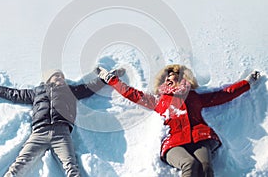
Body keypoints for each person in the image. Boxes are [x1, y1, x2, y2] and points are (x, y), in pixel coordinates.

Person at [98, 64, 261, 177]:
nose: (169, 79)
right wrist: (110, 79)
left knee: (205, 165)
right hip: (174, 144)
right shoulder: (159, 101)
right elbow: (131, 93)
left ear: (182, 78)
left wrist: (248, 83)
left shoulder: (194, 97)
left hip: (200, 137)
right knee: (189, 164)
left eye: (173, 76)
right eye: (166, 78)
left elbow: (224, 94)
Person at [0, 68, 112, 177]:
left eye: (63, 77)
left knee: (71, 166)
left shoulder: (70, 90)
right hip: (39, 133)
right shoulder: (36, 92)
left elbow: (89, 87)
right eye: (57, 76)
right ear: (48, 79)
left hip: (61, 133)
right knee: (19, 165)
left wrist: (106, 78)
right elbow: (14, 94)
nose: (61, 79)